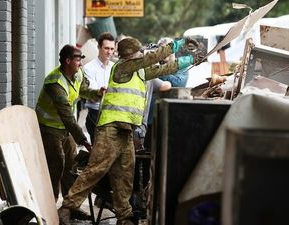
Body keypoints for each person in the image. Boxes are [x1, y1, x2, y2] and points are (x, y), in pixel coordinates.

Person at [58, 37, 204, 225]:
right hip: (111, 126)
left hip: (125, 130)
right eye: (138, 53)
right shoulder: (122, 67)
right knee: (96, 170)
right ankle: (67, 207)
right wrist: (177, 45)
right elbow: (149, 59)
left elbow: (164, 69)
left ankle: (124, 217)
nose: (141, 55)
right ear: (130, 56)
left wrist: (191, 61)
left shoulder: (139, 72)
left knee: (125, 174)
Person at [35, 44, 105, 220]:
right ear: (67, 61)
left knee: (71, 166)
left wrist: (97, 93)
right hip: (48, 128)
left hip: (64, 129)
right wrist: (84, 140)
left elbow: (83, 91)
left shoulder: (77, 74)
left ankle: (70, 207)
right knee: (56, 166)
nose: (81, 63)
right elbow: (67, 115)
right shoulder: (55, 82)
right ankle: (49, 210)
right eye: (78, 59)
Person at [83, 32, 115, 143]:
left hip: (113, 113)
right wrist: (100, 92)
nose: (109, 52)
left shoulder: (114, 68)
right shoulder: (88, 68)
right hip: (96, 114)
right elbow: (93, 94)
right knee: (98, 152)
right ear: (98, 47)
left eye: (112, 49)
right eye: (106, 48)